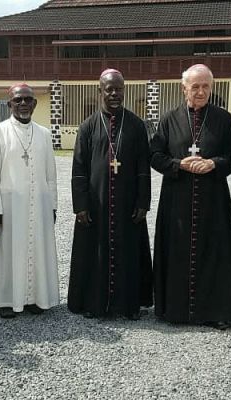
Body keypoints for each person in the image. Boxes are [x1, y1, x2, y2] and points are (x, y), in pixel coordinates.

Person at [150, 64, 231, 326]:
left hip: (213, 199)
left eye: (205, 86)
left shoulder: (223, 119)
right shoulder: (169, 119)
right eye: (195, 86)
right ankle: (175, 311)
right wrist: (179, 164)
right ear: (184, 88)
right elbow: (155, 155)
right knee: (177, 252)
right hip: (177, 199)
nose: (201, 91)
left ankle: (215, 312)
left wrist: (213, 164)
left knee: (215, 253)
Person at [68, 69, 152, 320]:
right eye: (109, 89)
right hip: (96, 205)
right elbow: (79, 169)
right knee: (95, 254)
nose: (115, 94)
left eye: (119, 89)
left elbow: (143, 168)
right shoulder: (87, 127)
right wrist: (80, 205)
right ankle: (95, 304)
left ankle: (129, 305)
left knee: (129, 252)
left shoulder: (136, 125)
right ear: (100, 91)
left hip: (128, 204)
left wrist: (143, 202)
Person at [0, 83, 59, 318]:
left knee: (37, 249)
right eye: (18, 100)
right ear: (9, 104)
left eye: (28, 100)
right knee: (7, 252)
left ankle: (35, 298)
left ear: (35, 103)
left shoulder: (45, 134)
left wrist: (52, 206)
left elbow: (51, 176)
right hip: (9, 207)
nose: (23, 104)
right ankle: (6, 299)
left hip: (39, 204)